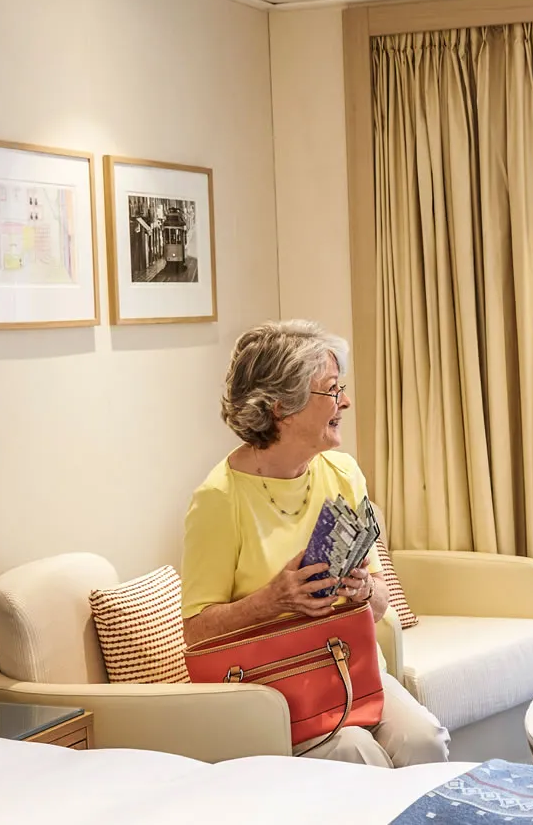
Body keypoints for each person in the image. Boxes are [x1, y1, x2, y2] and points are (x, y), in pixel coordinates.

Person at [180, 320, 449, 766]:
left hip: (350, 671)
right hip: (277, 694)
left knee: (425, 740)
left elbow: (380, 603)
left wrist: (364, 590)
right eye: (331, 390)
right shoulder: (218, 498)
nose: (345, 401)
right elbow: (195, 631)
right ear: (282, 407)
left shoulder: (343, 473)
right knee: (357, 752)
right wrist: (270, 600)